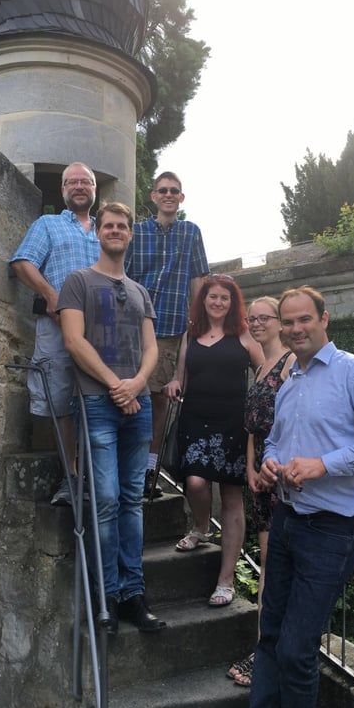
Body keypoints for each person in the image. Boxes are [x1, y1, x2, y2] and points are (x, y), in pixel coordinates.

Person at [248, 285, 354, 708]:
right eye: (289, 321)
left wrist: (325, 464)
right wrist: (269, 464)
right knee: (269, 637)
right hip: (287, 519)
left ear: (324, 319)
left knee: (297, 650)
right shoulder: (290, 383)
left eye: (305, 319)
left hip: (334, 529)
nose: (296, 328)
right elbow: (275, 442)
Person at [57, 201, 166, 635]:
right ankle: (105, 598)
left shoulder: (140, 291)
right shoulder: (78, 281)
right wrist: (115, 386)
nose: (116, 230)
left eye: (123, 225)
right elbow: (73, 341)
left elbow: (152, 347)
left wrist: (137, 383)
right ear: (98, 232)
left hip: (136, 406)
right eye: (109, 225)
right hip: (99, 404)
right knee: (104, 502)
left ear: (129, 234)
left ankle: (133, 595)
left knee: (131, 503)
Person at [163, 275, 264, 607]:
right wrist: (175, 385)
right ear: (203, 300)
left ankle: (225, 579)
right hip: (195, 420)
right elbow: (181, 374)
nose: (218, 302)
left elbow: (266, 377)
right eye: (213, 297)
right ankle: (202, 527)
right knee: (194, 482)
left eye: (225, 298)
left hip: (234, 425)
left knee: (233, 498)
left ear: (233, 303)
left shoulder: (245, 336)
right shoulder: (190, 335)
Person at [10, 162, 100, 505]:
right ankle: (72, 477)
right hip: (58, 325)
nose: (79, 186)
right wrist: (51, 295)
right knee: (61, 400)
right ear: (63, 190)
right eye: (72, 181)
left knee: (97, 399)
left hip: (101, 333)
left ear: (94, 189)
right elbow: (22, 263)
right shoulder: (47, 224)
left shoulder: (106, 228)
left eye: (86, 181)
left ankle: (97, 475)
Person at [126, 171, 209, 498]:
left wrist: (197, 321)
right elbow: (123, 275)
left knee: (159, 402)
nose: (169, 194)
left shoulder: (191, 233)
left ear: (181, 197)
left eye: (175, 190)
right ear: (153, 196)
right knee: (128, 398)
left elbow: (199, 280)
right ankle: (128, 468)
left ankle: (149, 471)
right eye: (163, 190)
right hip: (133, 328)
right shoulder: (136, 232)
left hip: (171, 329)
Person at [226, 297, 295, 688]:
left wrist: (268, 466)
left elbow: (291, 419)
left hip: (281, 473)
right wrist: (251, 467)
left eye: (264, 318)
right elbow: (253, 427)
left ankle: (268, 648)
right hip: (261, 476)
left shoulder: (289, 365)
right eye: (252, 319)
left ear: (280, 323)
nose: (256, 324)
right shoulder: (262, 366)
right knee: (268, 559)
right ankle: (264, 645)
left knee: (277, 561)